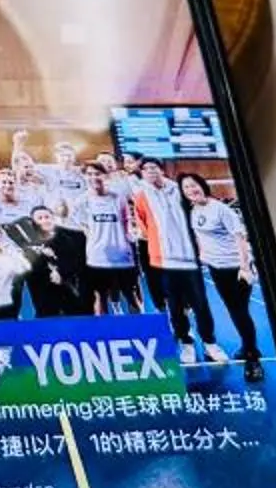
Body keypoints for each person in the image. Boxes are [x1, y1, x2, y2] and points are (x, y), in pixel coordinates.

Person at [127, 159, 226, 364]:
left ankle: (210, 344)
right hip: (164, 262)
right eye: (145, 169)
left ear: (161, 170)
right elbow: (144, 227)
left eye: (154, 168)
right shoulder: (140, 197)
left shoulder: (179, 189)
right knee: (175, 306)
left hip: (190, 259)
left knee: (201, 305)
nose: (150, 172)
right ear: (142, 174)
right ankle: (186, 343)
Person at [185, 173, 264, 381]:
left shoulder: (221, 209)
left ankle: (253, 359)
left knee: (240, 312)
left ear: (202, 186)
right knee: (234, 310)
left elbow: (240, 238)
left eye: (194, 186)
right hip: (216, 268)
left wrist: (245, 267)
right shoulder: (194, 211)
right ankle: (248, 346)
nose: (192, 190)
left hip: (235, 267)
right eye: (186, 188)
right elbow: (199, 235)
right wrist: (203, 255)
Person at [79, 159, 141, 313]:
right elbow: (83, 227)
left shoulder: (118, 198)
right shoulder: (81, 201)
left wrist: (128, 238)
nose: (94, 177)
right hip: (97, 257)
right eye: (89, 174)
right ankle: (105, 333)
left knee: (131, 295)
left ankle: (140, 330)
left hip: (122, 256)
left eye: (97, 173)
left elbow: (128, 223)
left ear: (105, 176)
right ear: (85, 177)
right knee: (101, 296)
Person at [43, 132, 91, 312]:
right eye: (62, 154)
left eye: (69, 154)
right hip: (58, 230)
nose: (66, 157)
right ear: (56, 157)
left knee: (83, 273)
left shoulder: (82, 176)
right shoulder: (49, 172)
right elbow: (20, 168)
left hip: (80, 231)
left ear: (74, 157)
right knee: (60, 272)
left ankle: (85, 312)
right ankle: (64, 311)